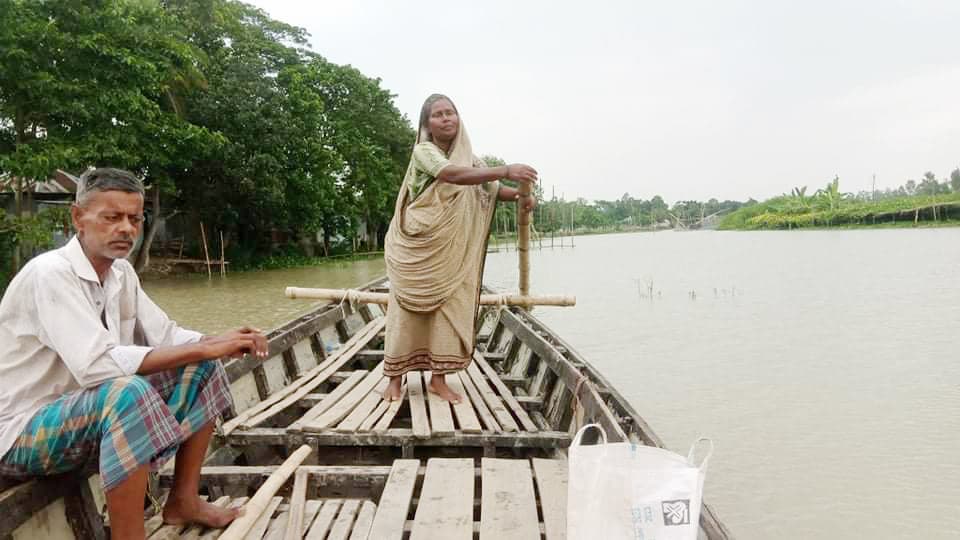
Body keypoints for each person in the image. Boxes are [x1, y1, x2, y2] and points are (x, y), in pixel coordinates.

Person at [0, 168, 269, 539]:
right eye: (112, 217)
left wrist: (218, 341)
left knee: (202, 366)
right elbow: (98, 367)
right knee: (128, 393)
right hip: (20, 433)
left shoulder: (122, 274)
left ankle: (183, 500)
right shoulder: (50, 274)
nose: (126, 228)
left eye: (134, 218)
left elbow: (167, 335)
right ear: (78, 218)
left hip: (83, 420)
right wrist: (207, 346)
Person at [382, 94, 538, 403]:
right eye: (438, 115)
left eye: (450, 112)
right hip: (418, 245)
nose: (445, 118)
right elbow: (452, 175)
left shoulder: (470, 158)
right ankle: (394, 379)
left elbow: (489, 190)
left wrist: (521, 197)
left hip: (448, 252)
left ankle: (438, 380)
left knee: (446, 310)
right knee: (405, 311)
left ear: (458, 117)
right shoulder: (423, 151)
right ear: (427, 124)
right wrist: (505, 169)